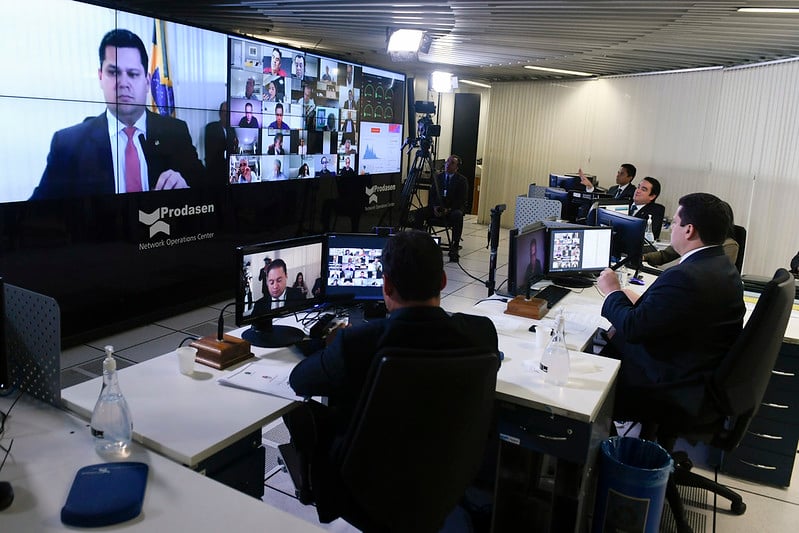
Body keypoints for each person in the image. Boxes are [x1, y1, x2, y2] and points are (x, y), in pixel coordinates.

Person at [284, 230, 500, 519]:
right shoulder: (481, 332)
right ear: (444, 281)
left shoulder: (356, 344)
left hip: (365, 484)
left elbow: (299, 380)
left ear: (385, 285)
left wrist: (328, 348)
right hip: (446, 475)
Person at [596, 192, 745, 423]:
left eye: (675, 222)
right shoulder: (721, 265)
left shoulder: (685, 276)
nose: (672, 227)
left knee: (591, 355)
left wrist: (613, 291)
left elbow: (634, 328)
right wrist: (640, 301)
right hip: (697, 374)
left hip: (669, 385)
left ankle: (587, 439)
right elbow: (677, 312)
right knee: (609, 339)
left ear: (689, 230)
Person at [31, 29, 205, 199]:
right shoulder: (68, 144)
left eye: (133, 74)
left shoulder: (176, 132)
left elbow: (208, 192)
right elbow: (35, 215)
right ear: (100, 77)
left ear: (147, 81)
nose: (123, 83)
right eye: (113, 73)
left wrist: (186, 191)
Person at [644, 200, 740, 268]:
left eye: (676, 222)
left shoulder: (730, 245)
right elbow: (665, 255)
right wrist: (643, 257)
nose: (673, 227)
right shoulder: (698, 237)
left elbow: (717, 272)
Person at [410, 155, 468, 262]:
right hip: (437, 207)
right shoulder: (438, 177)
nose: (448, 165)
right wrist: (435, 207)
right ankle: (416, 241)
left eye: (452, 163)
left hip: (451, 209)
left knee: (458, 215)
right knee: (419, 212)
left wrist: (448, 209)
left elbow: (461, 200)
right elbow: (432, 195)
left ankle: (455, 245)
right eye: (447, 162)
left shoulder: (462, 180)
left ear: (457, 167)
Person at [204, 101, 237, 183]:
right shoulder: (211, 127)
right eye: (223, 112)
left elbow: (233, 149)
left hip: (230, 170)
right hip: (214, 170)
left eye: (227, 112)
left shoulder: (232, 129)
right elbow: (211, 152)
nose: (225, 114)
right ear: (220, 113)